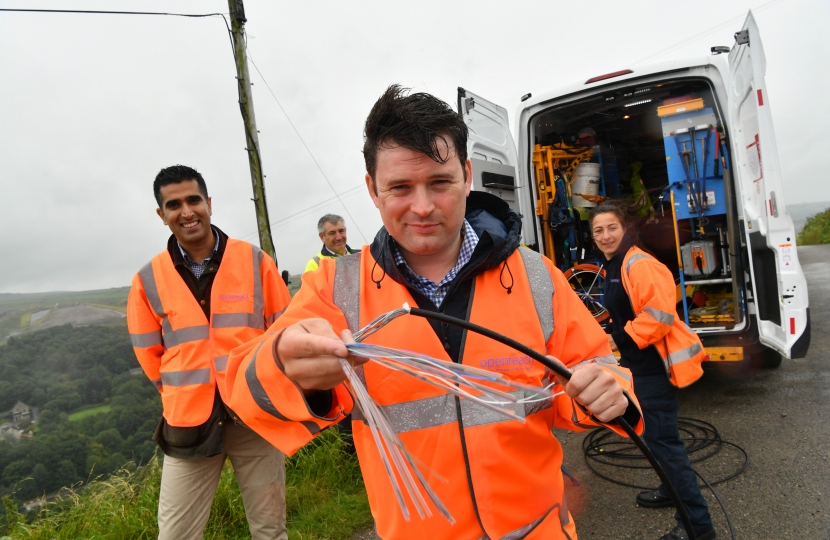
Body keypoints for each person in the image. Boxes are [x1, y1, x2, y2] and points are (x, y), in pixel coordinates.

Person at [223, 86, 643, 540]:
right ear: (372, 189)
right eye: (400, 187)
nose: (422, 207)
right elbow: (243, 387)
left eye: (439, 183)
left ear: (465, 175)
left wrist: (610, 395)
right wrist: (285, 363)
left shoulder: (536, 276)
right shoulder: (334, 289)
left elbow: (598, 369)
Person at [127, 165, 291, 540]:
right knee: (176, 535)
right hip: (188, 425)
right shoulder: (147, 279)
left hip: (254, 416)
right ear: (161, 214)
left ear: (209, 203)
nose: (186, 211)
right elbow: (148, 354)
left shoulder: (254, 261)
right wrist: (181, 392)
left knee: (270, 530)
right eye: (174, 204)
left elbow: (284, 333)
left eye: (193, 200)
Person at [589, 200, 714, 540]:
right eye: (598, 230)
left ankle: (696, 527)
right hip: (637, 368)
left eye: (611, 227)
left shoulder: (639, 264)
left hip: (654, 371)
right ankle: (666, 489)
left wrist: (616, 341)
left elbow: (658, 317)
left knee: (665, 446)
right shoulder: (614, 264)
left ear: (625, 228)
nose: (605, 235)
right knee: (655, 441)